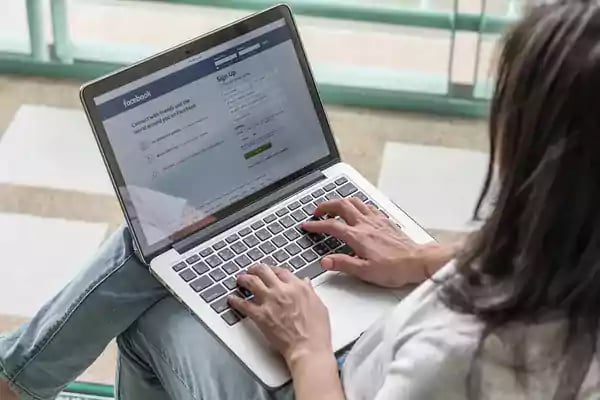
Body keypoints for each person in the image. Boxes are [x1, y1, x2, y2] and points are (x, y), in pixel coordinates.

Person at [2, 1, 600, 398]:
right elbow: (547, 262)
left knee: (151, 284)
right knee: (171, 244)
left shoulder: (460, 357)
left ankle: (16, 380)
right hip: (377, 351)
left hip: (334, 381)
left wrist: (307, 346)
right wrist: (425, 260)